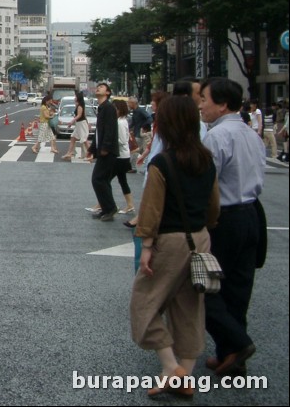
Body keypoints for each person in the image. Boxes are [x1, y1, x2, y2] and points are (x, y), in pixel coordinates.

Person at [130, 95, 220, 399]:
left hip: (169, 241)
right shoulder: (206, 159)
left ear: (167, 125)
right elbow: (214, 208)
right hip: (200, 238)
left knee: (144, 303)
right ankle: (187, 375)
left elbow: (151, 210)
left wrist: (146, 246)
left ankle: (171, 368)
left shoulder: (162, 162)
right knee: (190, 307)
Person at [200, 77, 266, 377]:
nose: (201, 106)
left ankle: (238, 344)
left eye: (205, 100)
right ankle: (230, 357)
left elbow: (207, 184)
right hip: (252, 214)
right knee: (239, 289)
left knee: (203, 286)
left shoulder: (217, 137)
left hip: (224, 218)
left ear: (223, 104)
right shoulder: (251, 134)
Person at [88, 83, 119, 221]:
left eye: (102, 87)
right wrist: (92, 148)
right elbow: (98, 133)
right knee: (102, 180)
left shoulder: (109, 108)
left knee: (98, 179)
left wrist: (105, 147)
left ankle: (110, 208)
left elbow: (110, 130)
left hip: (109, 151)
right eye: (98, 87)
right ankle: (107, 209)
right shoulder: (102, 108)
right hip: (103, 150)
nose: (98, 88)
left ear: (107, 93)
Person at [114, 100, 136, 214]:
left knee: (103, 180)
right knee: (122, 180)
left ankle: (105, 204)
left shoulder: (120, 122)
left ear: (119, 110)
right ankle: (130, 205)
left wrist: (110, 140)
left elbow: (123, 140)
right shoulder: (121, 121)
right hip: (122, 155)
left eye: (115, 109)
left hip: (120, 156)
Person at [63, 90, 90, 160]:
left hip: (81, 124)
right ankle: (70, 153)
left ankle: (90, 154)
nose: (74, 97)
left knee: (84, 140)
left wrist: (72, 121)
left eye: (75, 96)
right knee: (73, 138)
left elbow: (79, 115)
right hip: (79, 124)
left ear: (78, 98)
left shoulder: (80, 106)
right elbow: (84, 115)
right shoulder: (79, 104)